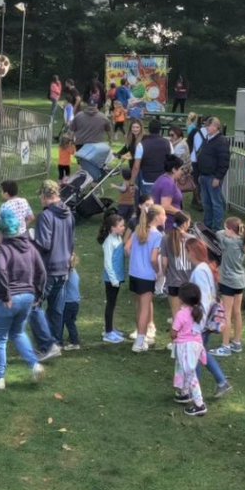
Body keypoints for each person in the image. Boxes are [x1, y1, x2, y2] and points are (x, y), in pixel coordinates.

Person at [0, 203, 47, 389]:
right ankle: (35, 365)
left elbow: (0, 272)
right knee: (18, 332)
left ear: (0, 232)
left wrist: (5, 295)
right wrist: (38, 295)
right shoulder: (30, 247)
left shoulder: (1, 250)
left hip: (7, 299)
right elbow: (42, 272)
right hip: (28, 296)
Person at [187, 235, 231, 399]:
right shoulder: (206, 267)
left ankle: (195, 391)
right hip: (206, 319)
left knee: (196, 355)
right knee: (201, 353)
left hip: (201, 321)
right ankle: (221, 382)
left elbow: (203, 299)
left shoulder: (199, 271)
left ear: (192, 253)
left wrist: (198, 324)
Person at [34, 180, 75, 351]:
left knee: (34, 306)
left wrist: (30, 242)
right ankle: (57, 341)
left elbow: (43, 244)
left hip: (48, 268)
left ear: (45, 196)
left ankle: (46, 345)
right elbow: (72, 241)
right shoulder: (69, 214)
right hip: (64, 267)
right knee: (56, 308)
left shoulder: (46, 216)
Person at [128, 204, 166, 352]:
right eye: (164, 215)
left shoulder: (138, 230)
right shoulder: (158, 235)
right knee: (145, 308)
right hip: (147, 275)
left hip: (134, 273)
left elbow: (127, 248)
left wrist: (136, 259)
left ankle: (140, 335)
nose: (165, 217)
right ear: (157, 217)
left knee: (139, 306)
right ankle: (140, 341)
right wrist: (158, 272)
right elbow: (153, 259)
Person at [171, 282, 207, 417]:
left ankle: (199, 404)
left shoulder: (181, 314)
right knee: (186, 370)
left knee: (190, 374)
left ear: (182, 299)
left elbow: (174, 331)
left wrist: (173, 336)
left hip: (185, 348)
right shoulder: (198, 312)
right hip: (196, 346)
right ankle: (184, 393)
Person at [216, 216, 245, 355]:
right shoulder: (243, 241)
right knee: (237, 312)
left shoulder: (227, 242)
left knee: (226, 314)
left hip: (228, 281)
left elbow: (218, 233)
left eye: (226, 227)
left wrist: (225, 232)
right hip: (240, 281)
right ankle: (237, 342)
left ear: (229, 230)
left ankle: (225, 346)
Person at [194, 115, 230, 231]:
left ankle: (217, 228)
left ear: (216, 127)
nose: (207, 128)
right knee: (206, 202)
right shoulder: (207, 139)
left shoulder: (221, 141)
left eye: (209, 126)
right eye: (206, 126)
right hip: (204, 176)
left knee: (216, 203)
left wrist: (218, 177)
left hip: (213, 177)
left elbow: (224, 161)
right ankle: (207, 224)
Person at [99, 210, 128, 343]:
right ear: (112, 228)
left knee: (113, 303)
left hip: (117, 277)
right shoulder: (109, 242)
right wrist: (113, 279)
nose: (123, 228)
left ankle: (111, 328)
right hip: (112, 279)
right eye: (121, 226)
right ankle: (108, 332)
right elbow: (107, 263)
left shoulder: (118, 238)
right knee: (110, 304)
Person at [131, 117, 172, 202]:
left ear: (148, 130)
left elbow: (136, 167)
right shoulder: (168, 143)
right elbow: (172, 162)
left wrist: (132, 182)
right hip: (163, 178)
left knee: (149, 205)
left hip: (147, 179)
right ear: (160, 130)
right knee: (161, 204)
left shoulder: (141, 145)